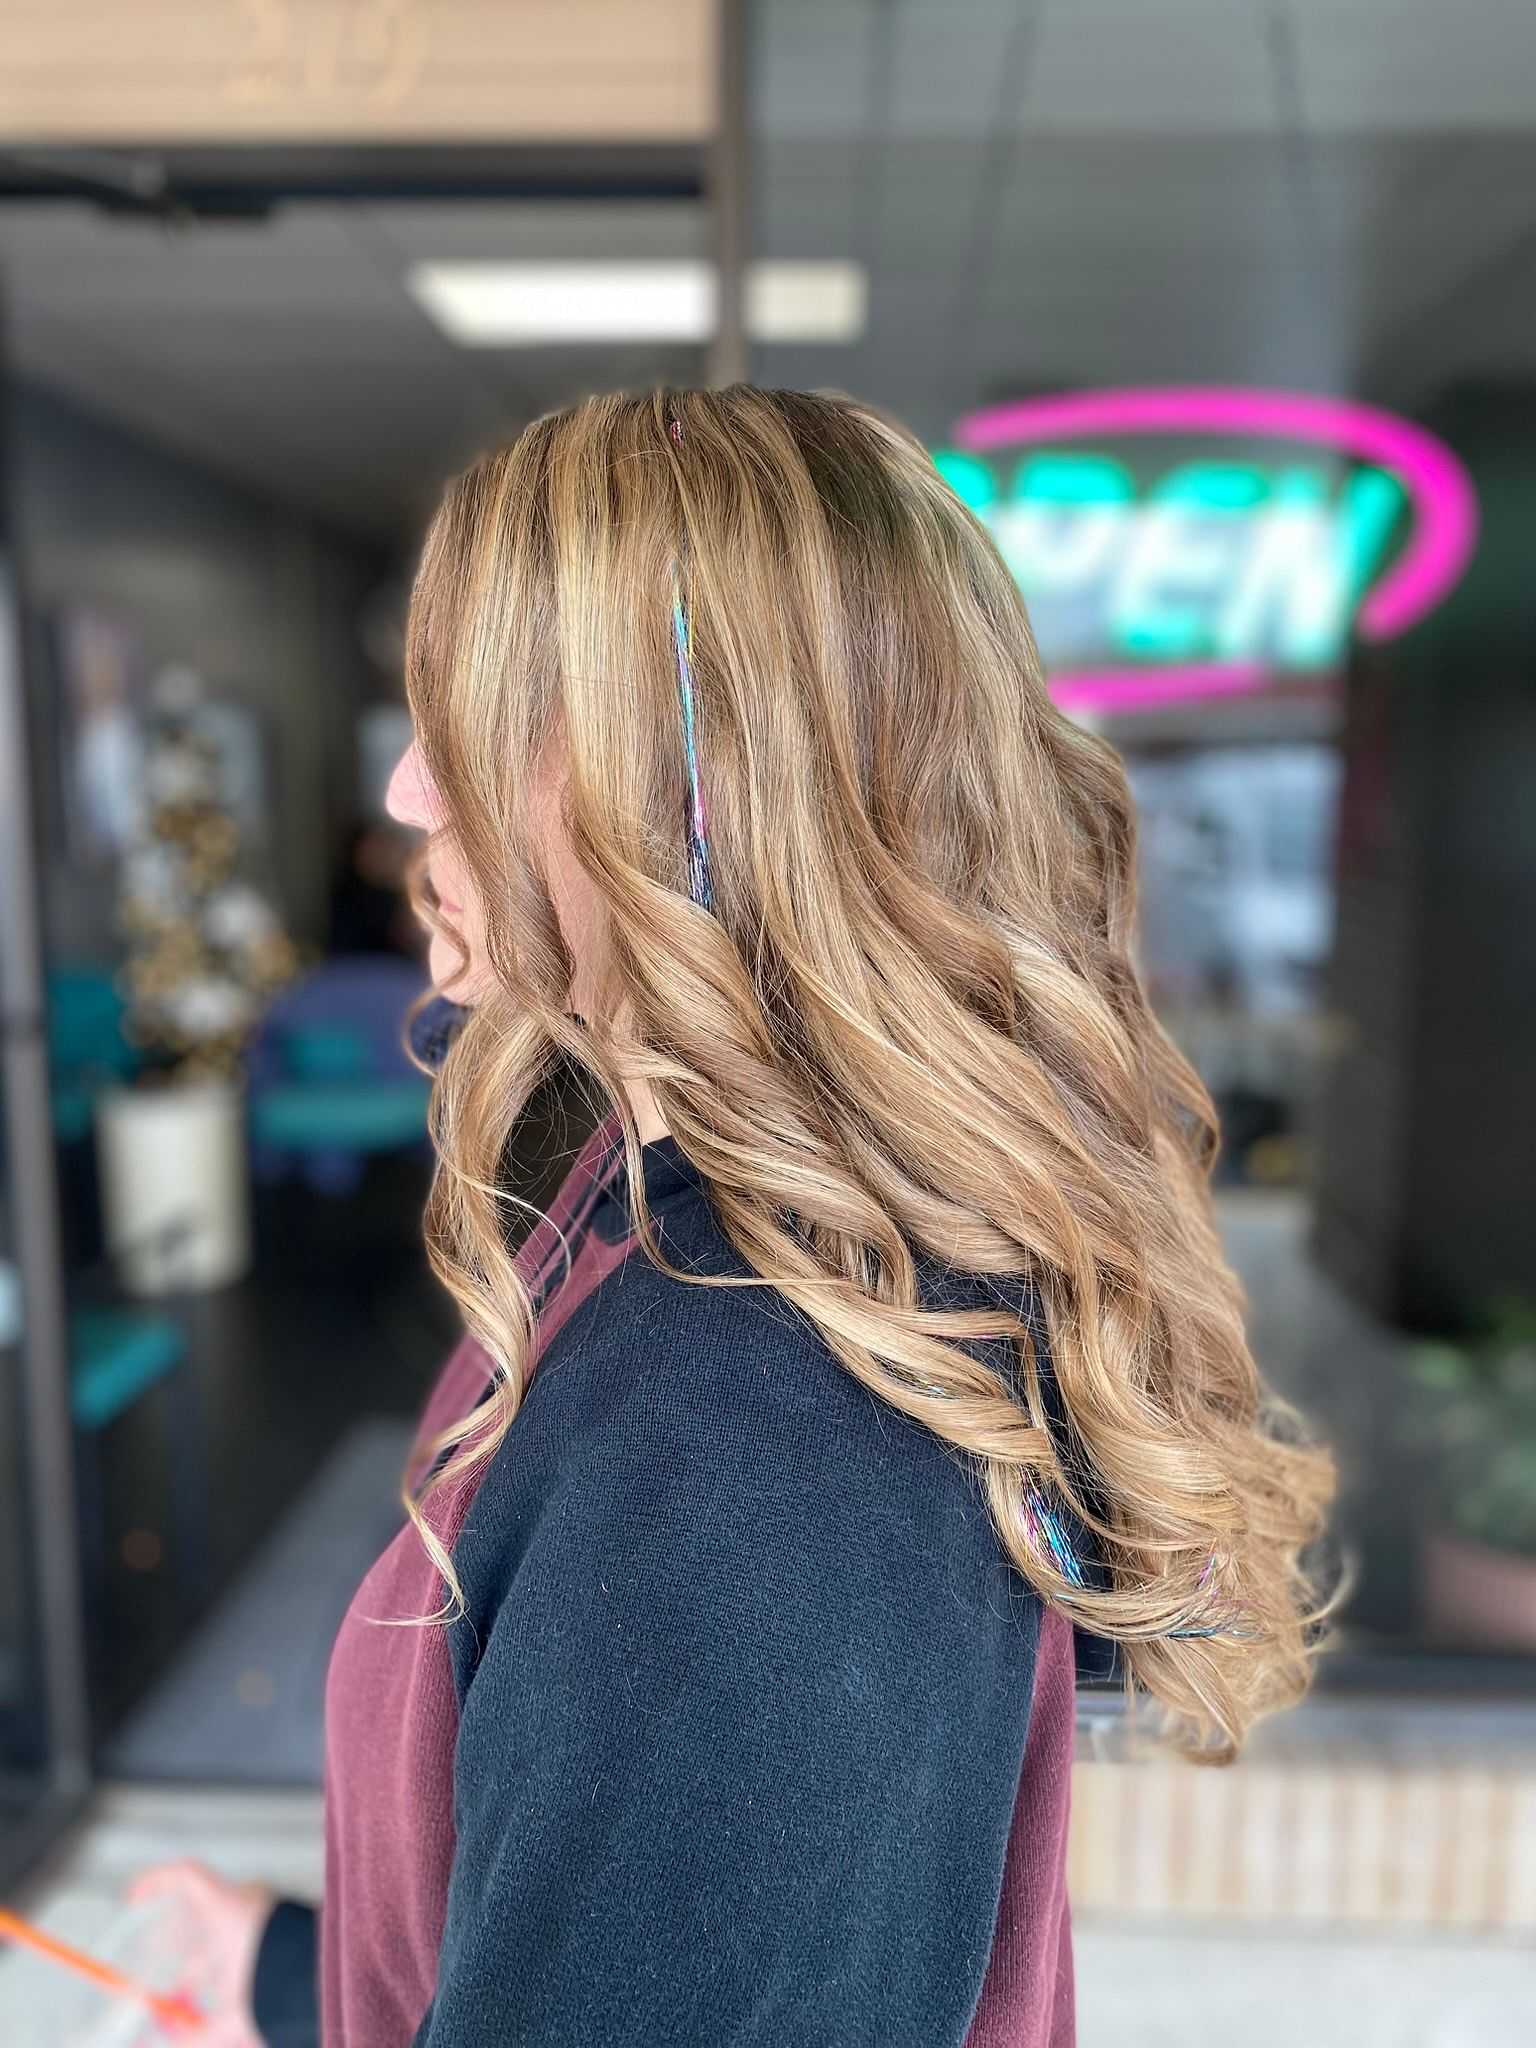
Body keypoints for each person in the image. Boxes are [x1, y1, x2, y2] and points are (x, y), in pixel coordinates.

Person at [130, 386, 1336, 2046]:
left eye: (475, 723)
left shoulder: (758, 1428)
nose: (411, 796)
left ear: (698, 804)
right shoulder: (684, 1233)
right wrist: (285, 1965)